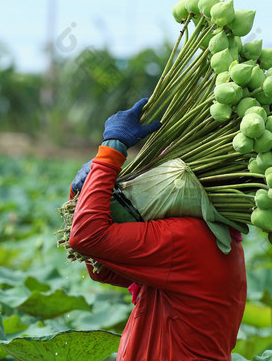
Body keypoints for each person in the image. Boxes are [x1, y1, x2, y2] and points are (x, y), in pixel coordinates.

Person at [68, 98, 247, 360]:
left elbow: (87, 237)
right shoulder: (213, 236)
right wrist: (81, 191)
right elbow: (103, 268)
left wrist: (111, 151)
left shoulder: (189, 239)